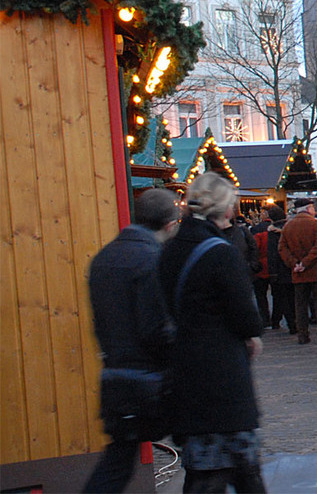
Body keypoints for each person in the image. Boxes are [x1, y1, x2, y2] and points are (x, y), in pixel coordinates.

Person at [158, 173, 265, 493]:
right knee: (237, 468)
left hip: (185, 369)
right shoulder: (221, 251)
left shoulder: (169, 249)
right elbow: (246, 318)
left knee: (205, 466)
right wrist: (252, 336)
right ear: (227, 209)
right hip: (223, 374)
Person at [84, 189, 180, 493]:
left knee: (118, 461)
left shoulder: (104, 258)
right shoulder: (150, 259)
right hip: (149, 377)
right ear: (169, 225)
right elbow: (154, 328)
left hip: (115, 374)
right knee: (202, 443)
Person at [278, 198, 317, 344]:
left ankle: (303, 335)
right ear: (309, 209)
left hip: (298, 272)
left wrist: (295, 263)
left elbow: (282, 248)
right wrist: (306, 262)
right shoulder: (316, 224)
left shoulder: (288, 226)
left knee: (300, 305)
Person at [259, 206, 292, 334]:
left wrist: (272, 272)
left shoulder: (272, 232)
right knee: (290, 296)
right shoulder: (290, 227)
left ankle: (283, 322)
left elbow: (273, 253)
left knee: (280, 297)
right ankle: (289, 321)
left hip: (279, 268)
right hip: (291, 266)